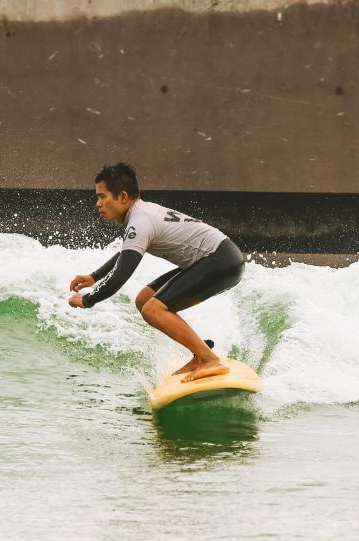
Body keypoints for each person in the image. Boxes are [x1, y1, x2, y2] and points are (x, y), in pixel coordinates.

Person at [68, 163, 245, 383]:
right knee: (144, 300)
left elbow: (121, 276)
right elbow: (128, 253)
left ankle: (210, 360)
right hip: (218, 259)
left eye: (102, 197)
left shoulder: (140, 221)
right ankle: (201, 353)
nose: (98, 204)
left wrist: (87, 300)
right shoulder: (141, 213)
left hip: (221, 260)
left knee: (153, 309)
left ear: (123, 197)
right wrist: (94, 276)